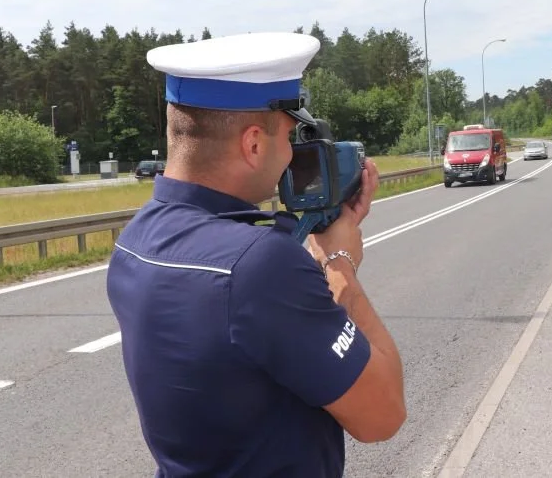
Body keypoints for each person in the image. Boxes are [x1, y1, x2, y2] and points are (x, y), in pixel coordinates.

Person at [106, 31, 406, 477]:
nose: (292, 155)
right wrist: (339, 261)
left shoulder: (135, 241)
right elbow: (383, 415)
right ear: (252, 144)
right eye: (290, 137)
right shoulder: (257, 266)